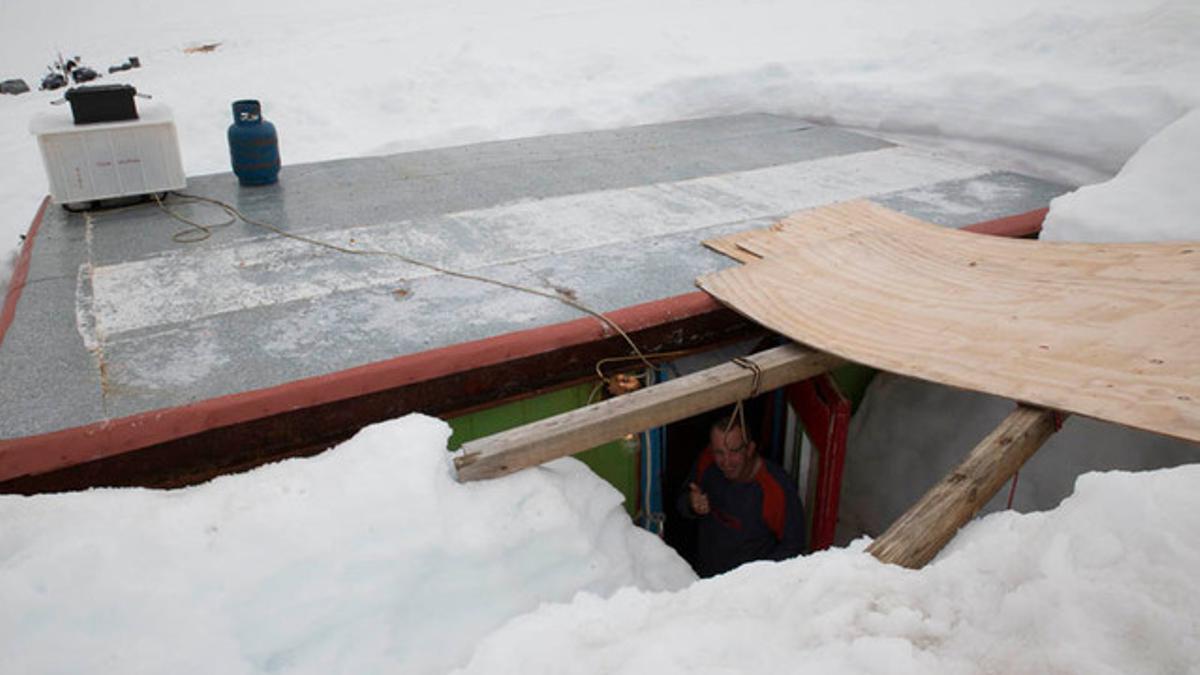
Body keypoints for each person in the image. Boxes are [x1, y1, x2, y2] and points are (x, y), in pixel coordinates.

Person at [678, 414, 806, 577]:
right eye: (719, 452)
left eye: (734, 451)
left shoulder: (776, 488)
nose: (726, 461)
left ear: (750, 448)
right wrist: (691, 503)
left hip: (746, 592)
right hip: (704, 582)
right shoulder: (707, 461)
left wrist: (755, 580)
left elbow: (794, 545)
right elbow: (680, 503)